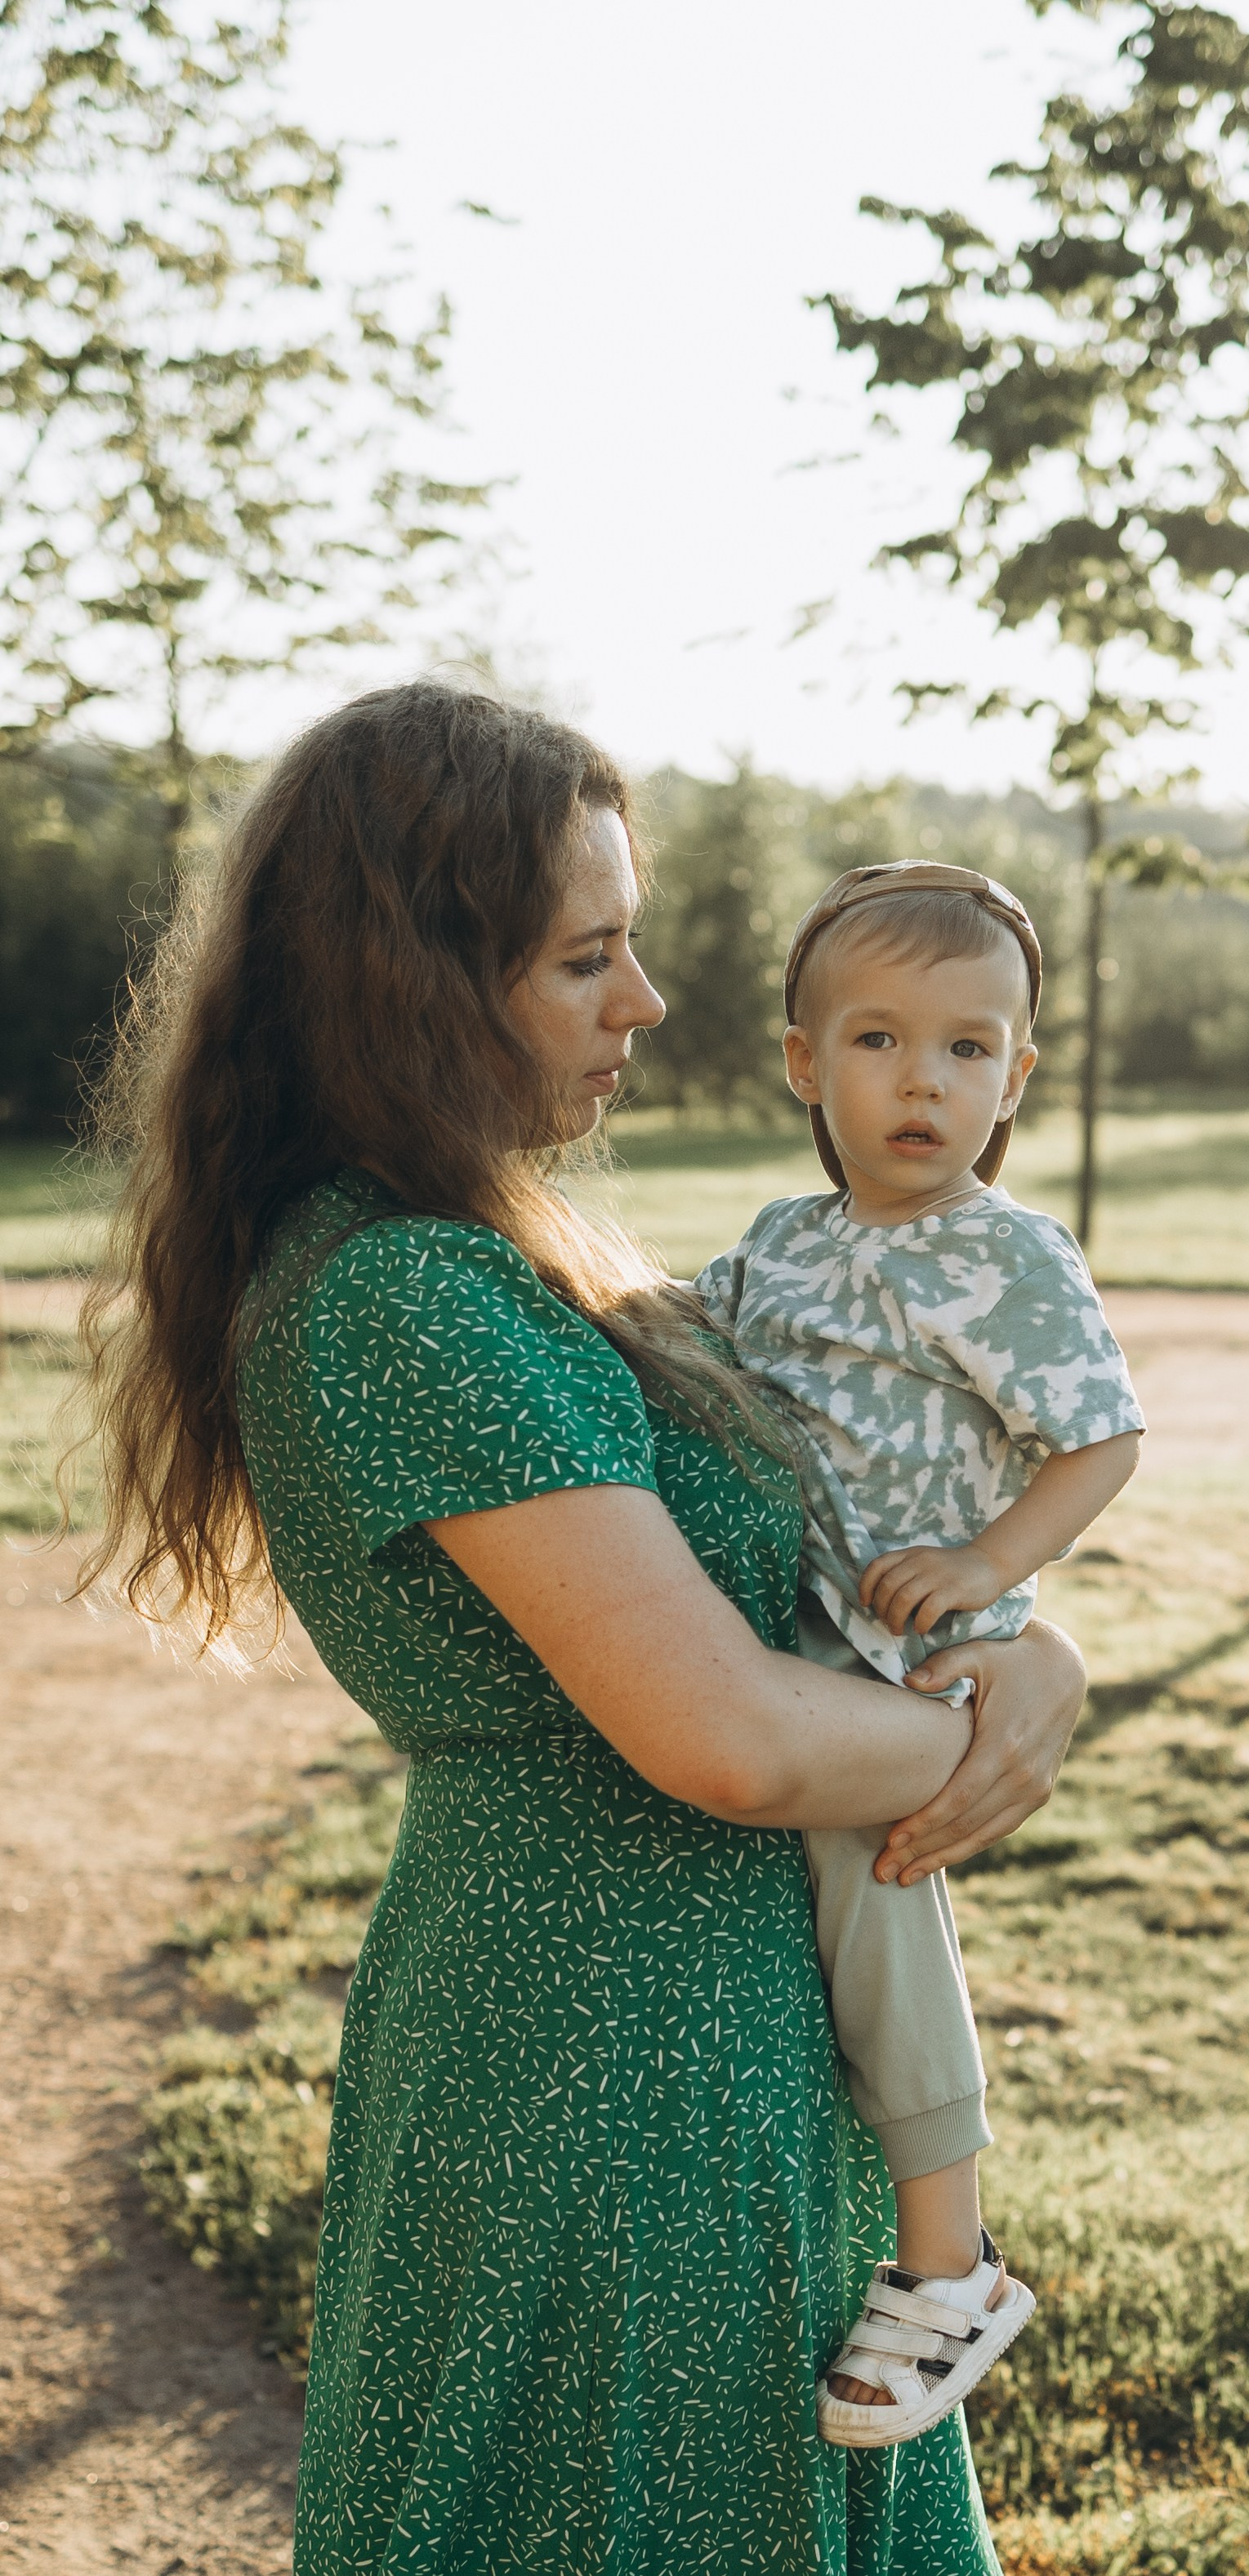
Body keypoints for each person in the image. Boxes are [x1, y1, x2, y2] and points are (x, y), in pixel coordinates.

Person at [77, 679, 1087, 2576]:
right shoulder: (406, 1296)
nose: (646, 1001)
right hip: (606, 2054)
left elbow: (835, 1549)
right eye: (584, 957)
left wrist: (1025, 1642)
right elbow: (729, 1732)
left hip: (704, 2022)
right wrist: (993, 1728)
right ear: (410, 985)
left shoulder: (501, 1250)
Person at [698, 862, 1144, 2448]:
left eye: (967, 1048)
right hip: (789, 1615)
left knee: (877, 1883)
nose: (922, 1081)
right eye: (878, 1039)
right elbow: (679, 1344)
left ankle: (950, 2261)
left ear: (1014, 1078)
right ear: (803, 1060)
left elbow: (1101, 1439)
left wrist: (990, 1566)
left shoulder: (1005, 1254)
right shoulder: (779, 1242)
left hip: (910, 1645)